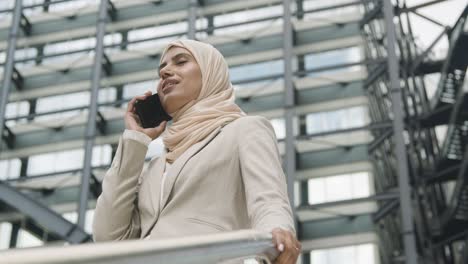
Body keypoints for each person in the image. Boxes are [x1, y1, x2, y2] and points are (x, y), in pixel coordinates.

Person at [93, 39, 301, 264]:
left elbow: (269, 200)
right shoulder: (155, 167)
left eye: (181, 62)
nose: (165, 72)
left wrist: (278, 235)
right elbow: (109, 237)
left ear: (211, 75)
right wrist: (135, 140)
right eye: (161, 69)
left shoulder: (244, 129)